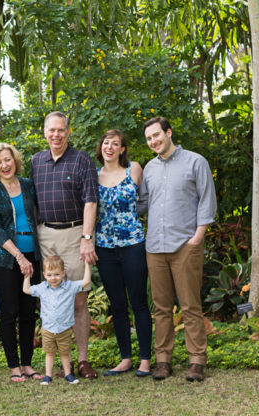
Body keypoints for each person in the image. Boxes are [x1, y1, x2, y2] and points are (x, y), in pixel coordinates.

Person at [138, 117, 217, 382]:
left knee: (190, 305)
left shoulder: (196, 162)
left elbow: (207, 200)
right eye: (149, 138)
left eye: (157, 135)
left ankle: (196, 361)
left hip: (186, 245)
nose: (153, 141)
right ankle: (163, 361)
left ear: (169, 133)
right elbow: (142, 204)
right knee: (160, 308)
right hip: (155, 246)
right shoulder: (148, 168)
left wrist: (198, 237)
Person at [31, 111, 100, 380]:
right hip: (46, 236)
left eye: (61, 130)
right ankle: (62, 361)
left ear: (68, 132)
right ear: (45, 132)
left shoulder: (82, 159)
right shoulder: (37, 161)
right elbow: (34, 203)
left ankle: (82, 361)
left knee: (79, 299)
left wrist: (86, 238)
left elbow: (91, 201)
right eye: (51, 130)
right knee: (51, 302)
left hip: (75, 236)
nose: (56, 135)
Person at [0, 143, 43, 382]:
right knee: (10, 311)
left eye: (7, 160)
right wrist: (18, 256)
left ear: (14, 161)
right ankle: (14, 366)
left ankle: (27, 364)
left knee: (29, 312)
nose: (4, 165)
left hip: (33, 255)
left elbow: (35, 216)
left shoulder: (28, 185)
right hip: (5, 259)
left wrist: (30, 257)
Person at [94, 130, 152, 377]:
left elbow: (146, 200)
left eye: (115, 143)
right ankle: (125, 358)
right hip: (105, 248)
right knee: (117, 305)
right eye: (106, 142)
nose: (109, 147)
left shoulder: (135, 169)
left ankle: (146, 360)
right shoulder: (93, 176)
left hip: (133, 244)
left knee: (138, 302)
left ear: (122, 149)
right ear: (101, 147)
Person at [23, 256, 92, 385]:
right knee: (50, 353)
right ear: (44, 275)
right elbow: (26, 290)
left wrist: (87, 265)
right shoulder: (42, 288)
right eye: (49, 275)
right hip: (48, 328)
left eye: (56, 274)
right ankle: (48, 376)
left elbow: (86, 281)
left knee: (65, 353)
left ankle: (68, 375)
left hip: (64, 328)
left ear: (63, 273)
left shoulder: (70, 287)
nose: (53, 278)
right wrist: (27, 276)